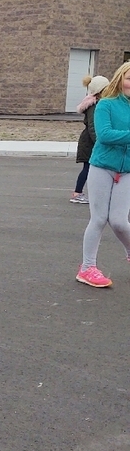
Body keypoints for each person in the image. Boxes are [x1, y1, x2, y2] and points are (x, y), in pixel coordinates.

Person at [76, 61, 130, 287]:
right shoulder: (106, 104)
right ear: (120, 78)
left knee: (119, 221)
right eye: (129, 77)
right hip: (101, 166)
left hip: (127, 170)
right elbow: (105, 135)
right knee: (98, 219)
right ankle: (87, 268)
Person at [70, 74, 109, 203]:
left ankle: (82, 193)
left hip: (91, 141)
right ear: (100, 90)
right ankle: (77, 193)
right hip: (90, 142)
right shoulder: (94, 105)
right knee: (88, 168)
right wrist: (100, 142)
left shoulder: (99, 103)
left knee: (92, 168)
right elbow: (93, 126)